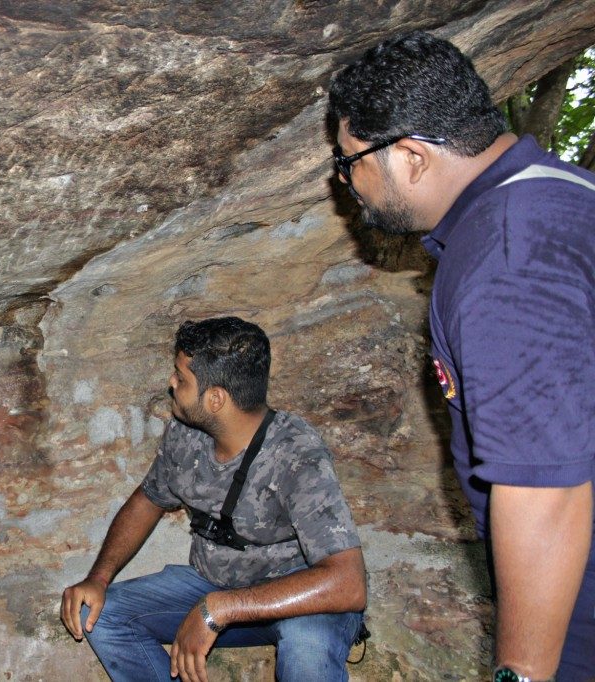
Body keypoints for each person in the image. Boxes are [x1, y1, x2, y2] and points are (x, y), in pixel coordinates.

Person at [328, 31, 595, 682]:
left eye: (349, 161)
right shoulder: (561, 193)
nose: (345, 181)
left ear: (411, 157)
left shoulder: (504, 258)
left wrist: (523, 673)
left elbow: (545, 489)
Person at [60, 316, 367, 682]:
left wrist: (220, 609)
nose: (171, 383)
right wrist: (98, 578)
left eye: (181, 378)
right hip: (214, 586)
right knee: (96, 614)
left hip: (298, 598)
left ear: (215, 398)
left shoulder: (296, 454)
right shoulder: (186, 432)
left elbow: (348, 583)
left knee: (308, 651)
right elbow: (149, 500)